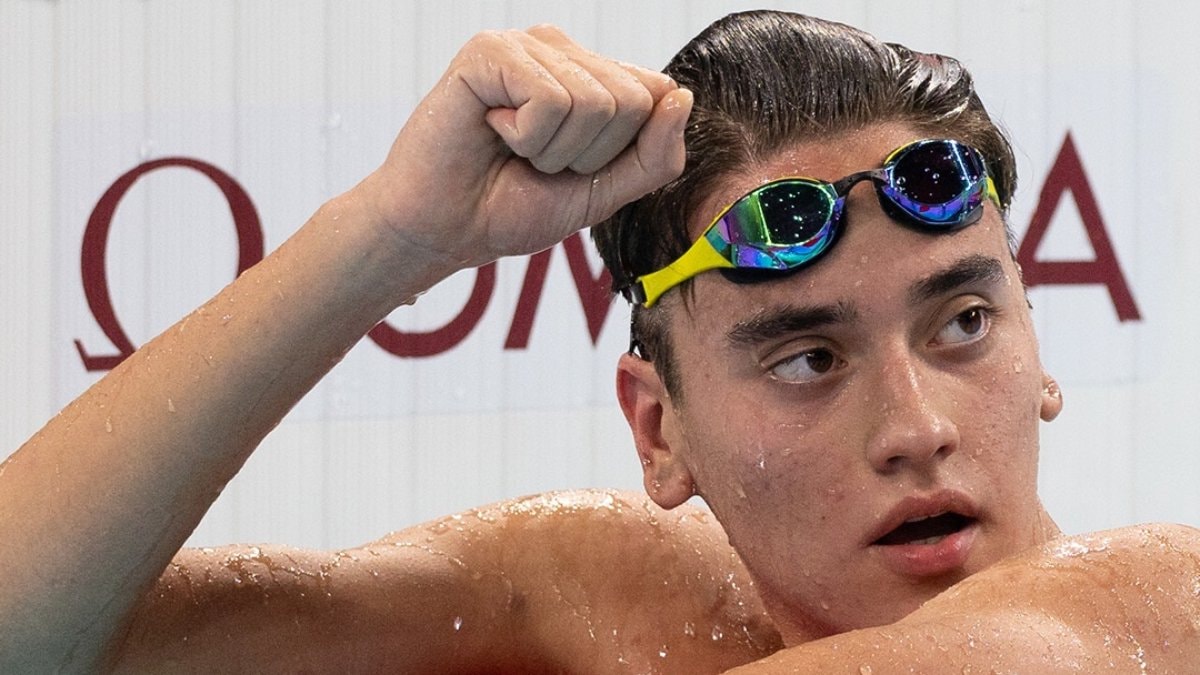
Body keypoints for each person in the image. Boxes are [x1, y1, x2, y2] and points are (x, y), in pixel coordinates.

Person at [1, 9, 1196, 673]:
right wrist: (388, 236)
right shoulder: (608, 601)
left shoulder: (1155, 611)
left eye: (964, 324)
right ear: (659, 430)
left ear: (1038, 347)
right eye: (808, 359)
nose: (918, 427)